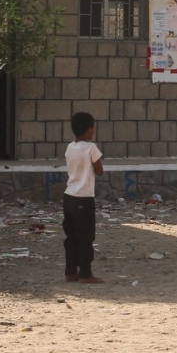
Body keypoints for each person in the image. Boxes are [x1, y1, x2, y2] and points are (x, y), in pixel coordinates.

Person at [63, 112, 105, 284]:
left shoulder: (70, 147)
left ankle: (70, 272)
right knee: (86, 238)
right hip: (84, 197)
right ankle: (86, 273)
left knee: (71, 237)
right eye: (93, 127)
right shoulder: (91, 148)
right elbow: (100, 170)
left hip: (69, 196)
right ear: (88, 129)